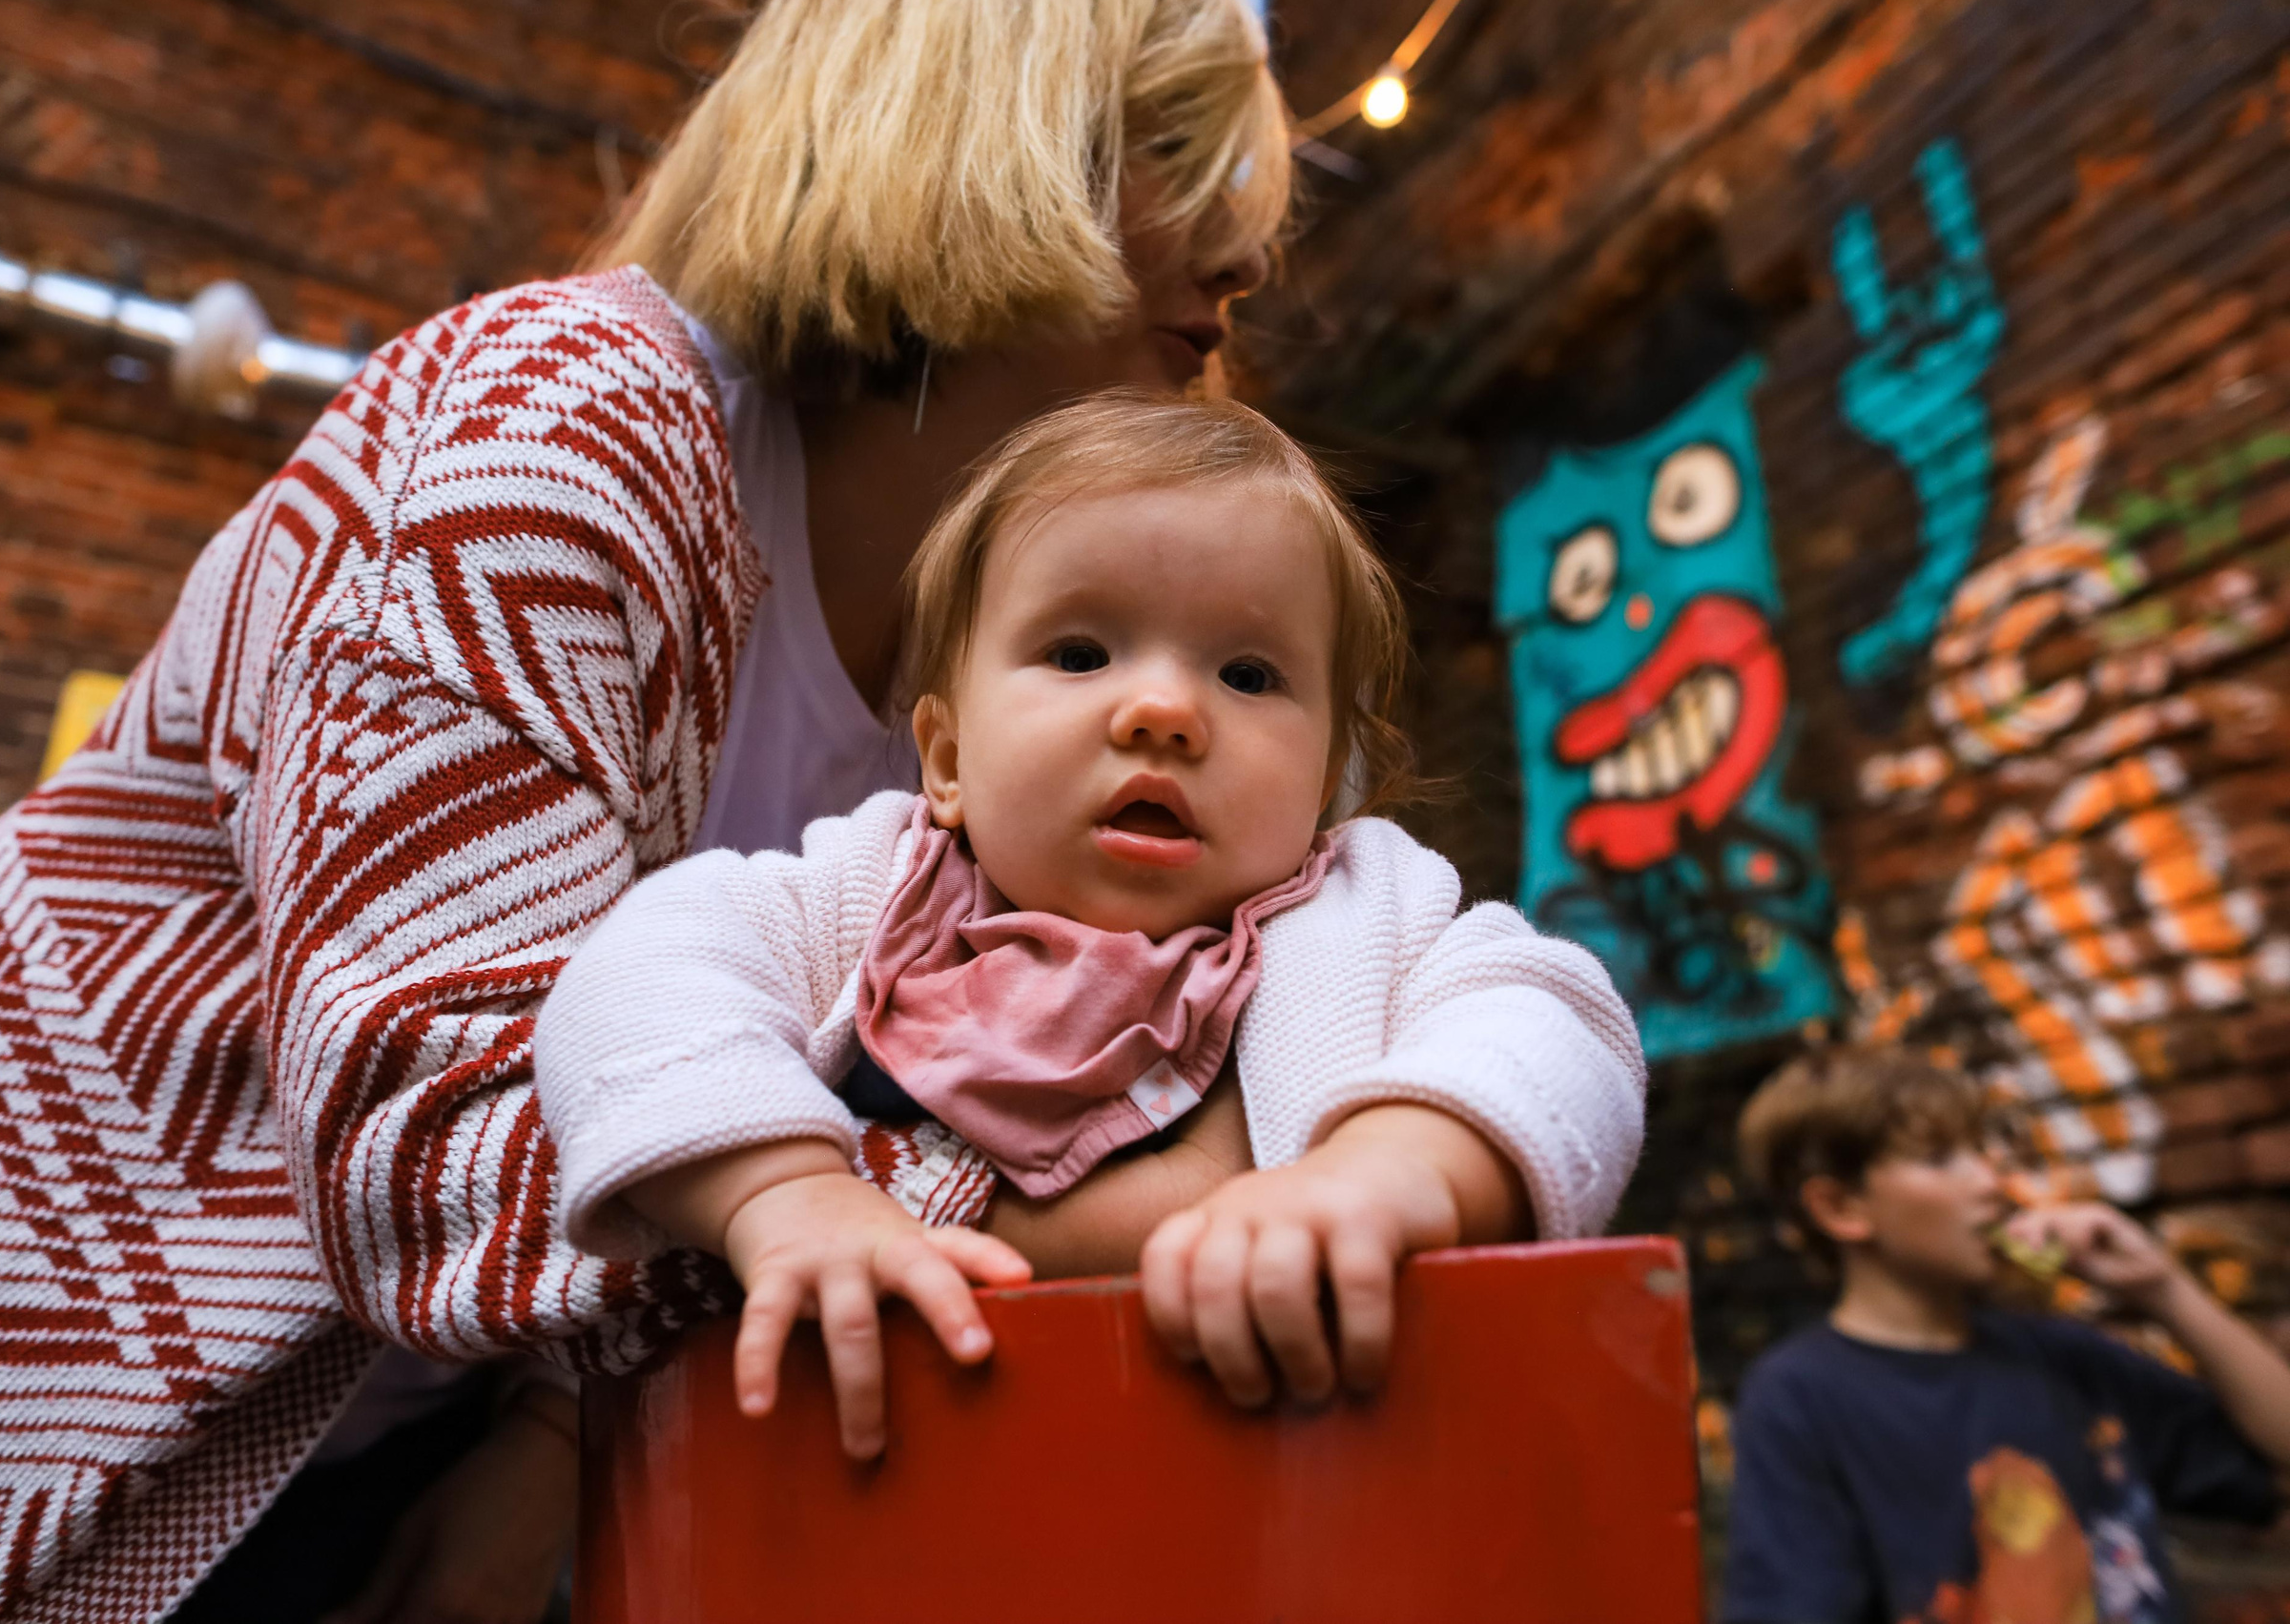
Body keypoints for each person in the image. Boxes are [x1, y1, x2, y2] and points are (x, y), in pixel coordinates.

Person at [0, 0, 1315, 1620]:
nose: (1247, 258)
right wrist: (1117, 1213)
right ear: (981, 131)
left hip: (392, 1429)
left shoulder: (1011, 633)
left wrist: (554, 1432)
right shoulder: (561, 414)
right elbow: (431, 1104)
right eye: (1183, 154)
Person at [535, 394, 1648, 1457]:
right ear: (950, 759)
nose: (1162, 711)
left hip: (1272, 1475)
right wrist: (780, 1192)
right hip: (875, 1481)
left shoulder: (1367, 914)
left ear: (1324, 779)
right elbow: (635, 978)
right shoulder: (859, 894)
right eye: (1079, 654)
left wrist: (1391, 1168)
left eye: (1249, 674)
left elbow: (1560, 1023)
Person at [1723, 1047, 2290, 1624]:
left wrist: (2163, 1287)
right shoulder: (1799, 1397)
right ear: (1840, 1207)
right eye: (1941, 1158)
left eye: (1984, 1152)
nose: (1993, 1182)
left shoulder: (2061, 1356)